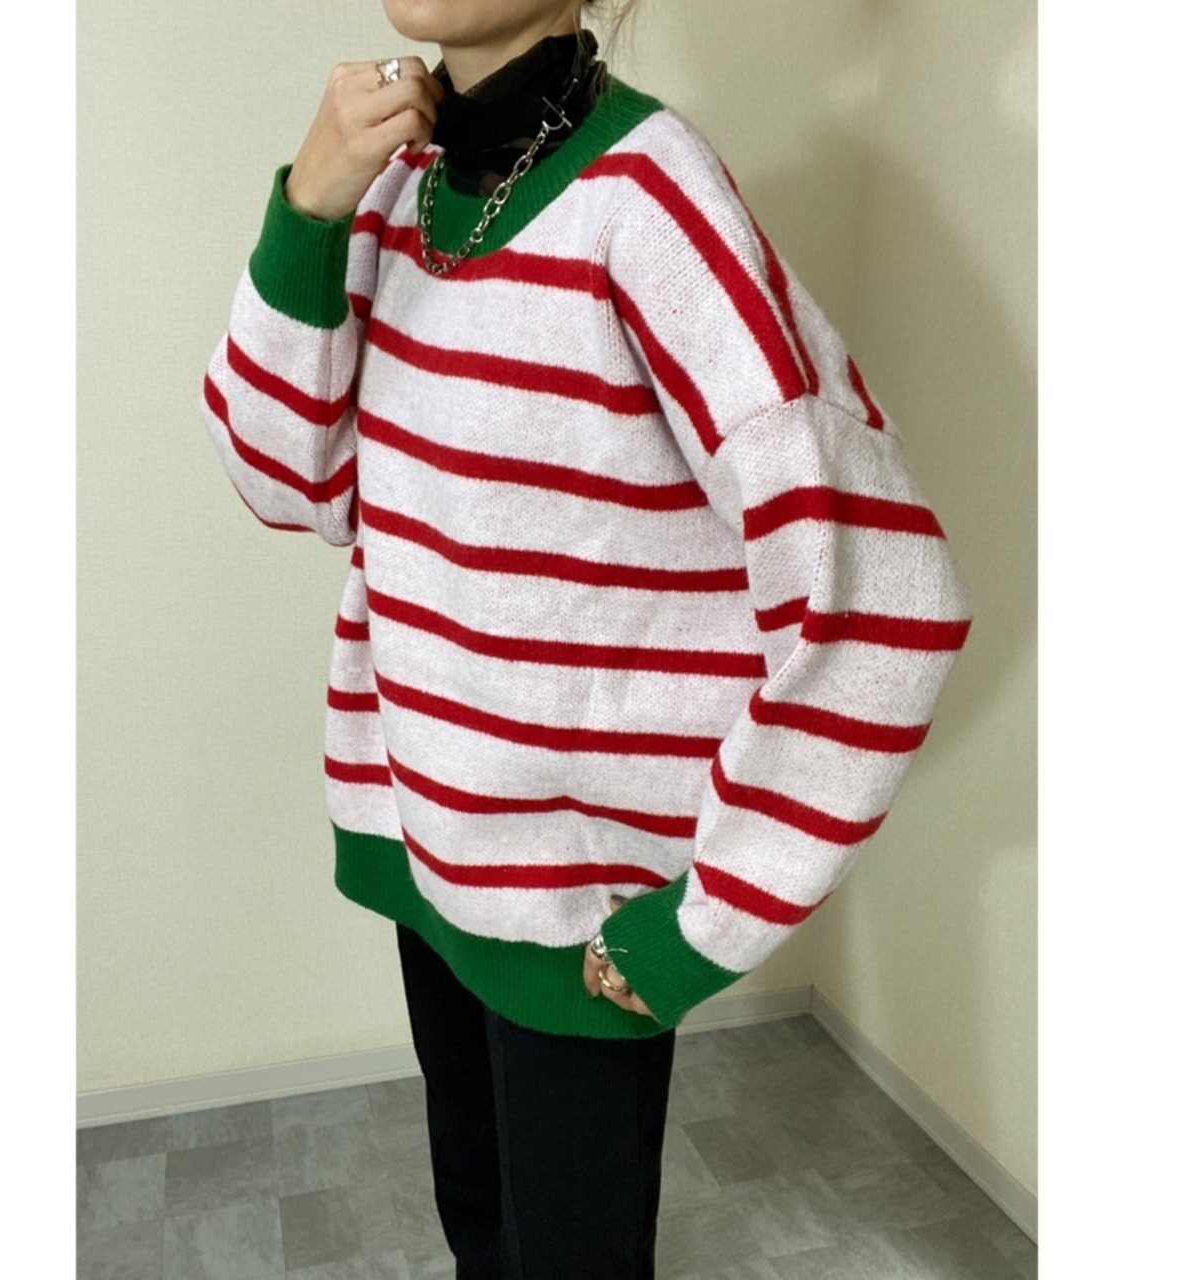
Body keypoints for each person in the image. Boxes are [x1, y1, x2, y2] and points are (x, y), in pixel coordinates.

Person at [199, 1, 972, 1275]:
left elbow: (884, 595)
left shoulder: (648, 199)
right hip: (425, 842)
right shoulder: (393, 185)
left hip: (580, 900)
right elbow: (289, 478)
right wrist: (309, 209)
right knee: (479, 1221)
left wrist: (708, 916)